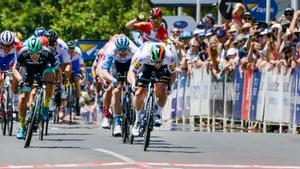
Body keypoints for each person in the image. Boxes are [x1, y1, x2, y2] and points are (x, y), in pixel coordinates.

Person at [13, 37, 58, 139]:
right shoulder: (22, 52)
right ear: (28, 50)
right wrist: (20, 80)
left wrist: (56, 82)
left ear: (41, 50)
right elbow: (15, 69)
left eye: (37, 53)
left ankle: (46, 105)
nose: (34, 56)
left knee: (51, 74)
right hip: (27, 73)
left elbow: (57, 68)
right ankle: (22, 126)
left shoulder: (48, 53)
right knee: (23, 97)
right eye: (32, 53)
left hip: (43, 71)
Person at [127, 43, 176, 136]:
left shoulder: (169, 57)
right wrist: (133, 83)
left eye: (159, 61)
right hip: (146, 66)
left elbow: (173, 74)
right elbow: (132, 71)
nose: (157, 64)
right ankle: (137, 121)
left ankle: (157, 113)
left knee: (164, 87)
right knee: (139, 92)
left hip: (164, 67)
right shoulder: (143, 56)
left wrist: (170, 86)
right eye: (155, 61)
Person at [99, 35, 138, 136]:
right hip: (117, 66)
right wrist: (113, 80)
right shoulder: (111, 50)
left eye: (125, 51)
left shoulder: (134, 50)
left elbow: (139, 67)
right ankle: (117, 123)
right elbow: (104, 70)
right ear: (116, 48)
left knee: (135, 86)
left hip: (131, 64)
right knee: (116, 90)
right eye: (120, 51)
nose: (123, 53)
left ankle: (136, 117)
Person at [66, 41, 86, 116]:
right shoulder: (64, 52)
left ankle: (77, 102)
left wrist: (82, 73)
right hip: (67, 63)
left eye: (72, 50)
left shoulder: (78, 52)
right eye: (70, 51)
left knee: (77, 81)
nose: (72, 52)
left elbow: (81, 64)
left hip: (75, 65)